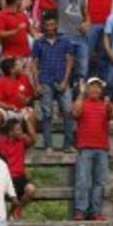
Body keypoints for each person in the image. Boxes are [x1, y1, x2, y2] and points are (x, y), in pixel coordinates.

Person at [31, 12, 75, 151]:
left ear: (56, 25)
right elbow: (34, 64)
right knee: (47, 114)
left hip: (62, 79)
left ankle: (68, 144)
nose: (50, 27)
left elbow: (69, 62)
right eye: (47, 25)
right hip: (45, 81)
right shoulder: (38, 43)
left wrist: (65, 81)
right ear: (43, 26)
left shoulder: (65, 41)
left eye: (52, 24)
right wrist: (36, 84)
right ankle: (48, 144)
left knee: (68, 112)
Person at [72, 78, 113, 221]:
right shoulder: (82, 103)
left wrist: (110, 106)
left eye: (98, 87)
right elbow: (75, 113)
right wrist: (80, 94)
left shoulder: (105, 104)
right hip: (85, 148)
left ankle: (95, 211)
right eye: (92, 87)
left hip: (102, 148)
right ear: (87, 89)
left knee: (99, 182)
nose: (95, 90)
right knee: (83, 181)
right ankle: (80, 210)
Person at [0, 121, 36, 219]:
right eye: (18, 130)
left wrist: (27, 121)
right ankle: (7, 214)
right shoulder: (1, 141)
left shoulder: (22, 141)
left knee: (31, 189)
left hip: (20, 177)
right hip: (5, 178)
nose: (21, 132)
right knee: (8, 195)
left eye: (21, 129)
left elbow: (33, 139)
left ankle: (18, 208)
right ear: (10, 132)